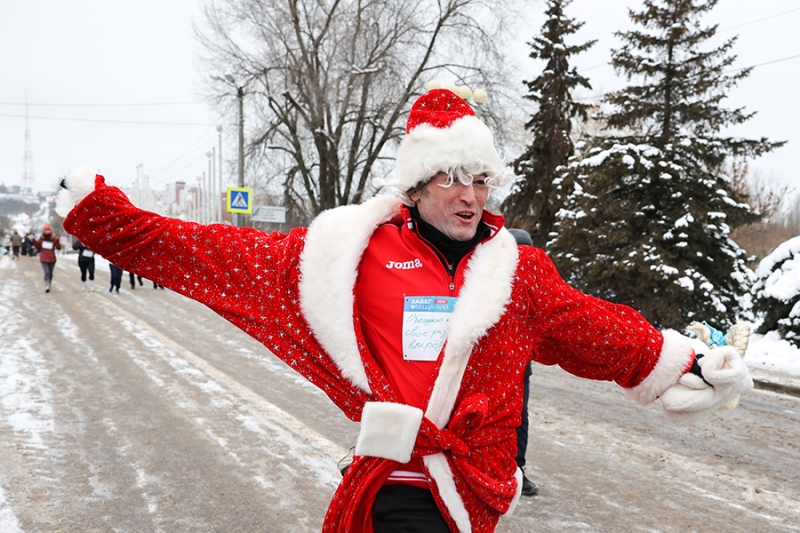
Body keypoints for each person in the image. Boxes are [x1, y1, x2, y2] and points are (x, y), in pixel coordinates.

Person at [56, 88, 752, 533]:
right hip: (392, 487)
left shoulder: (517, 272)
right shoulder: (348, 256)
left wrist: (681, 361)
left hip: (472, 494)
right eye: (452, 177)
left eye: (480, 178)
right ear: (418, 185)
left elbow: (592, 328)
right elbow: (214, 253)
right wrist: (106, 219)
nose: (470, 194)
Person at [506, 228, 538, 497]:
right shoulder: (487, 279)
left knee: (519, 417)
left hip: (520, 367)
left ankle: (517, 469)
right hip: (488, 366)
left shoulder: (535, 286)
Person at [33, 224, 61, 293]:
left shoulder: (54, 239)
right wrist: (34, 241)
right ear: (43, 231)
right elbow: (38, 246)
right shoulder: (41, 239)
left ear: (51, 231)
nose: (47, 232)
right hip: (44, 259)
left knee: (50, 273)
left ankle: (49, 282)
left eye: (48, 230)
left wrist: (57, 242)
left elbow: (58, 248)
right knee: (47, 272)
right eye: (46, 230)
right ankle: (46, 285)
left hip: (52, 259)